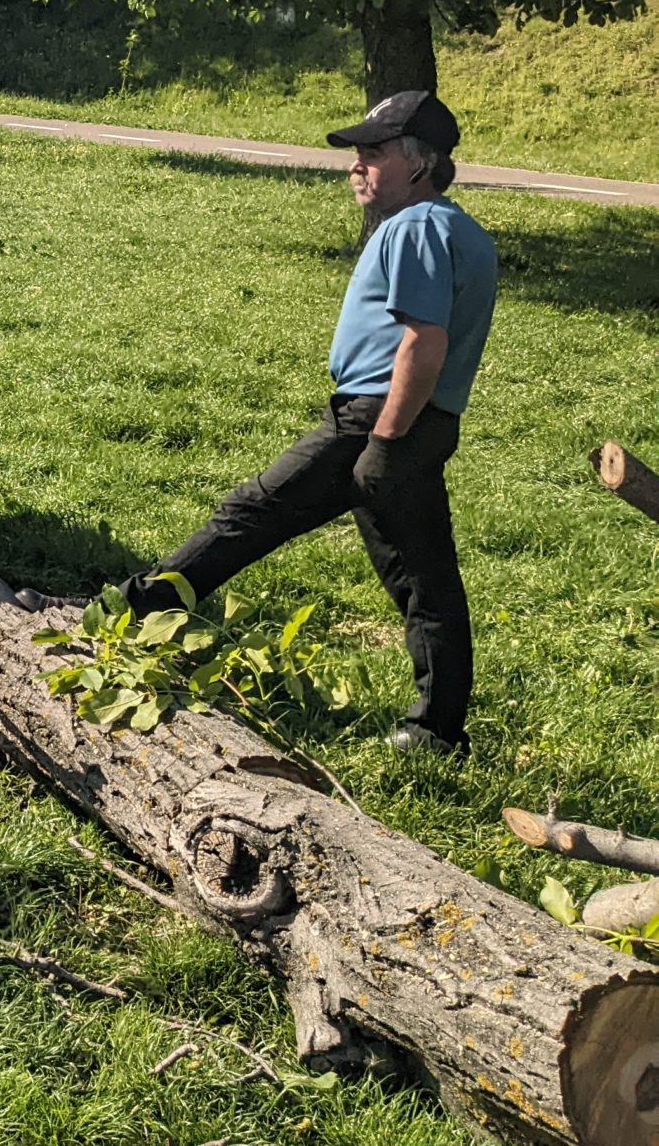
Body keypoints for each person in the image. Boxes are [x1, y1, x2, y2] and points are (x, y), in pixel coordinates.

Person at [118, 90, 498, 755]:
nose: (357, 167)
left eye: (374, 154)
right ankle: (438, 729)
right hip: (425, 419)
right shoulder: (461, 230)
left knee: (252, 513)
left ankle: (131, 615)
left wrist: (382, 440)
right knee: (422, 577)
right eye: (356, 155)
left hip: (381, 417)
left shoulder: (414, 229)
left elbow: (423, 344)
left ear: (421, 162)